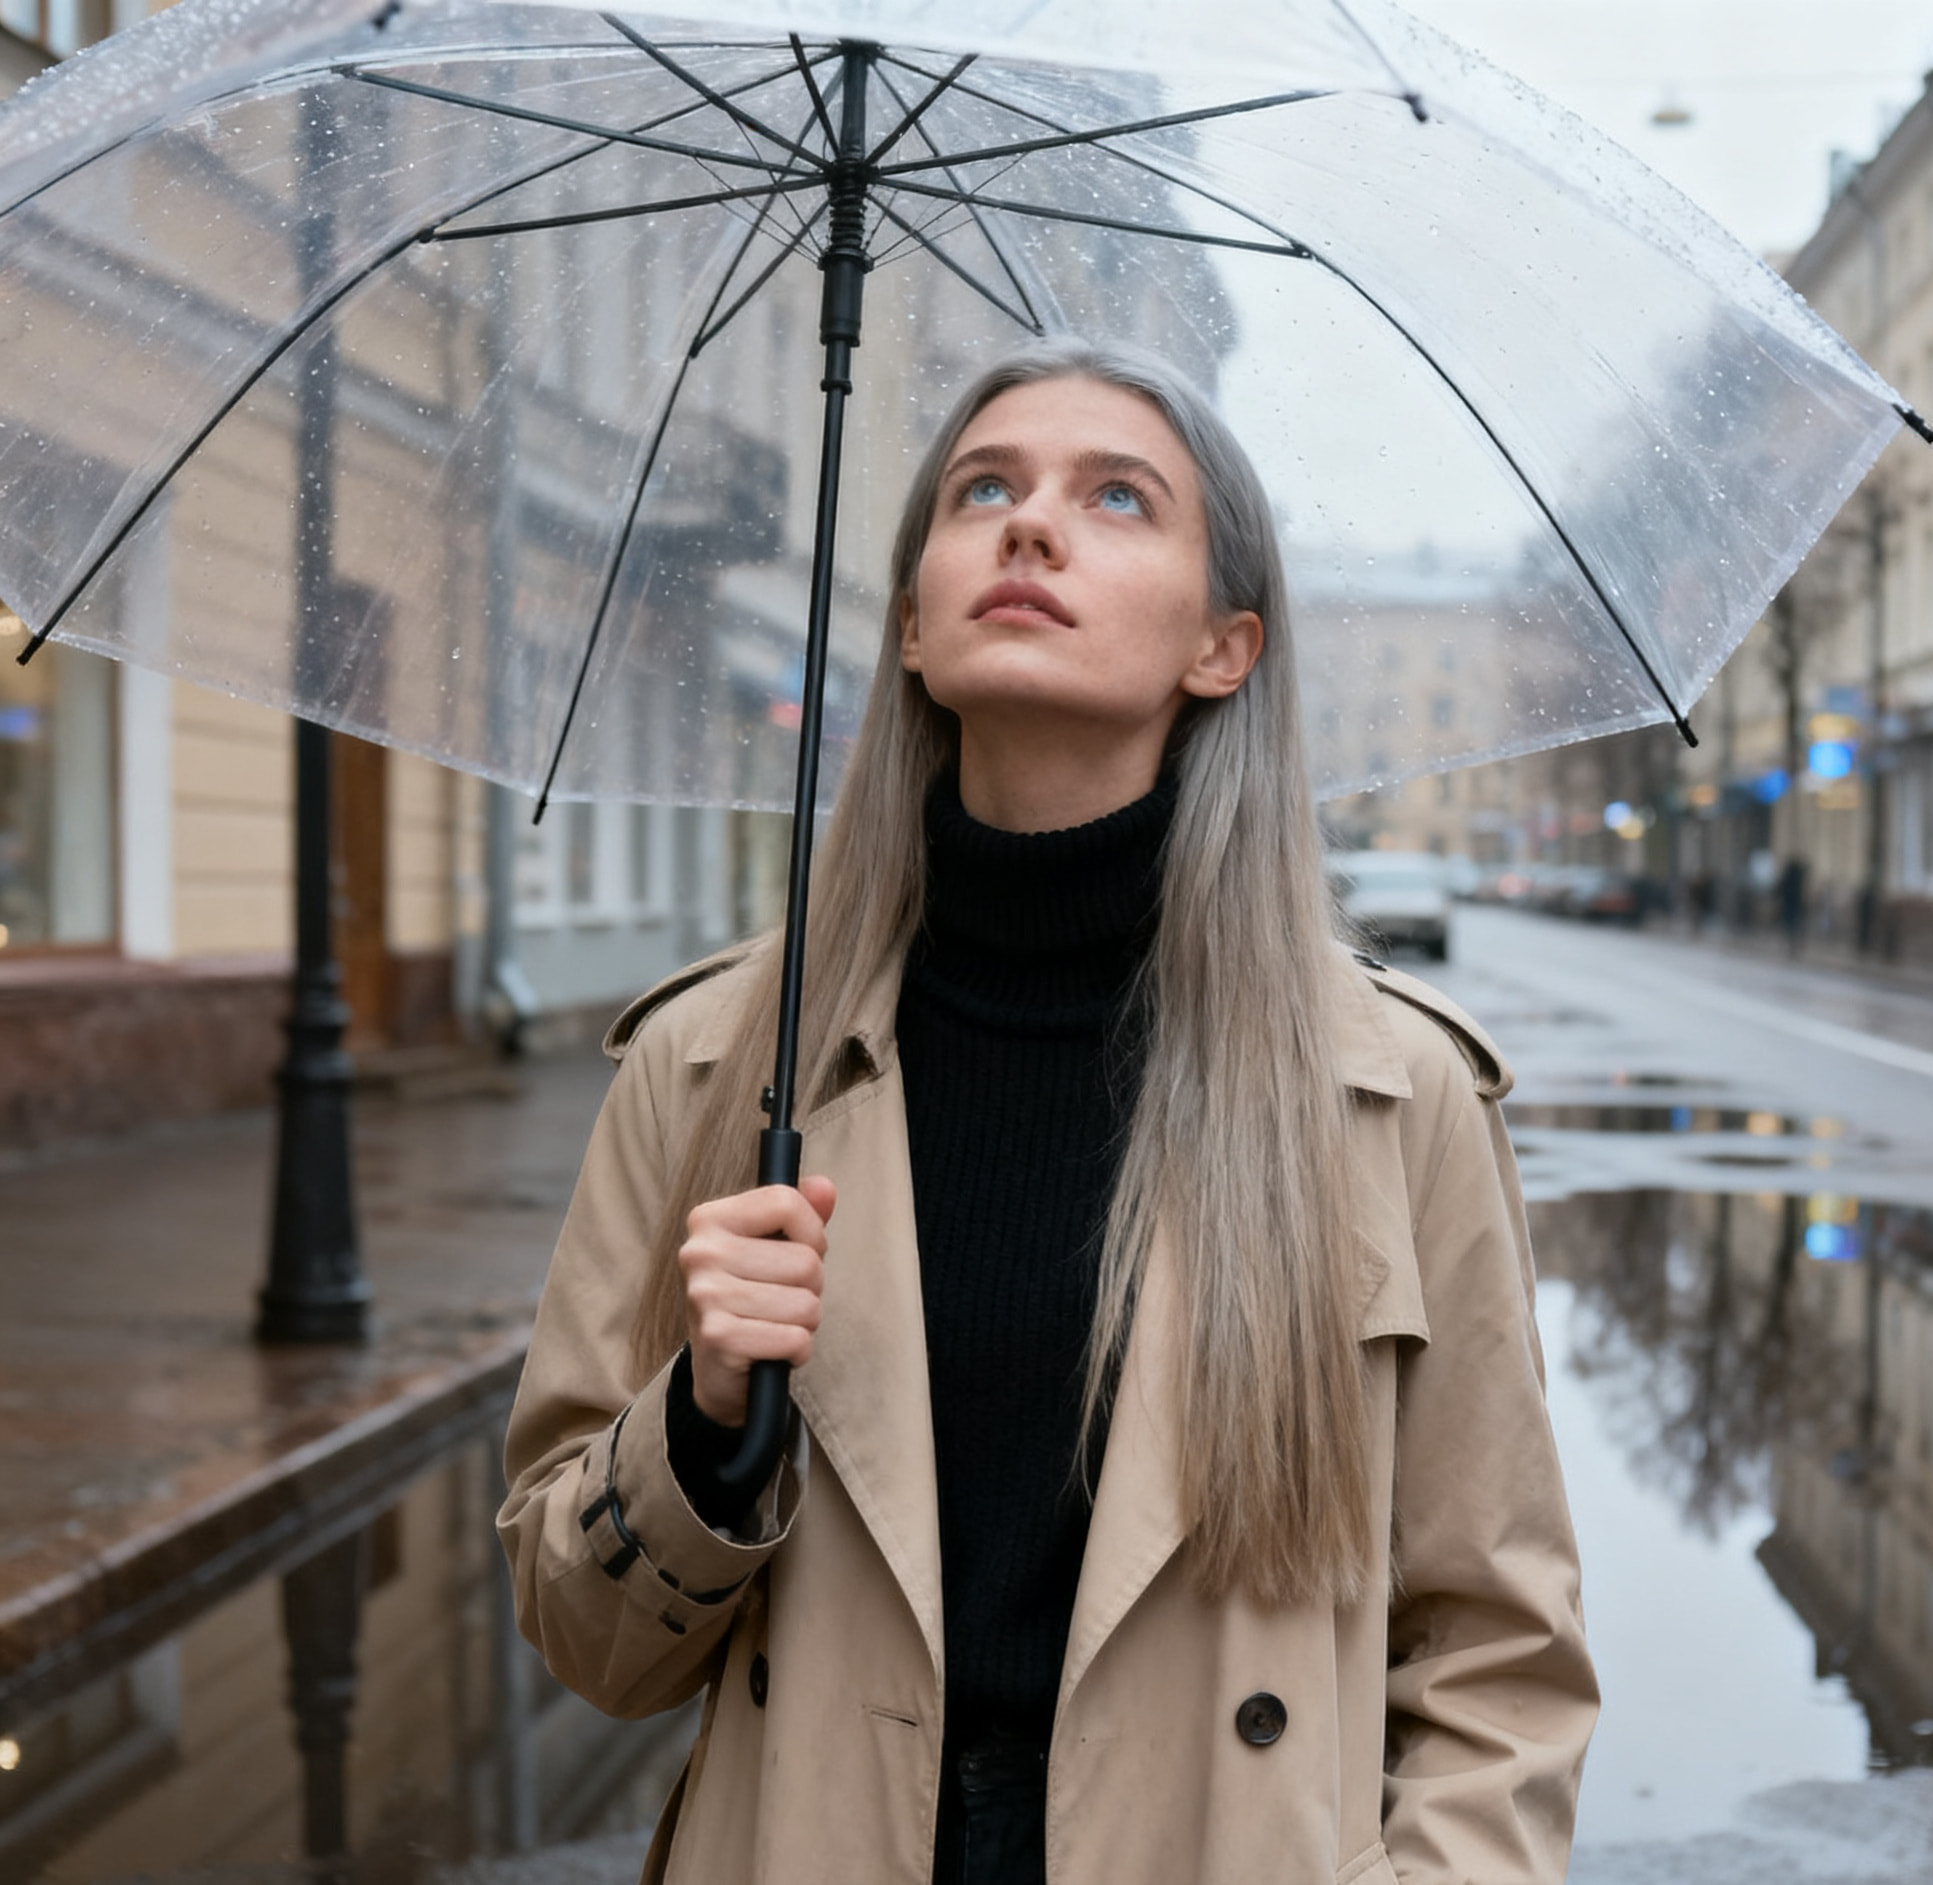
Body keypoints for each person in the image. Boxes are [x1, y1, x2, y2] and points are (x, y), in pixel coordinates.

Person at [498, 338, 1598, 1885]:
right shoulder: (714, 1063)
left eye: (1120, 498)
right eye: (985, 488)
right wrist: (704, 1421)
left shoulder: (1388, 1090)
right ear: (908, 626)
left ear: (1225, 648)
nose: (1029, 526)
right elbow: (581, 1635)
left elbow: (1498, 1655)